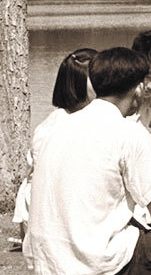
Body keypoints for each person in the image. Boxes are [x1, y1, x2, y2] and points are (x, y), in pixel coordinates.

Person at [25, 47, 151, 275]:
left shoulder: (51, 127)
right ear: (138, 88)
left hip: (46, 264)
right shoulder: (129, 132)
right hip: (102, 264)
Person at [12, 48, 97, 249]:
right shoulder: (58, 127)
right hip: (54, 215)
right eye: (98, 79)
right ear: (78, 84)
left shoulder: (77, 119)